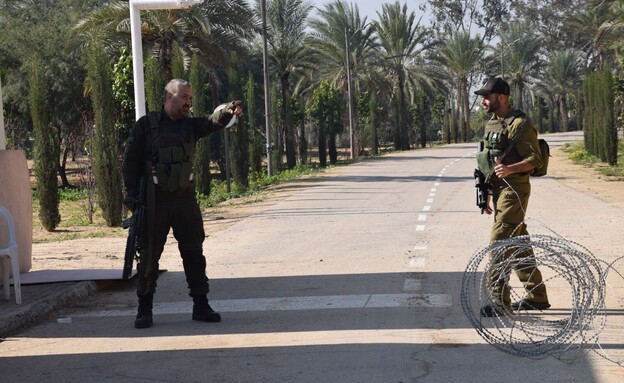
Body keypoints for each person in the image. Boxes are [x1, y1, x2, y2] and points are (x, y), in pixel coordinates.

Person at [122, 78, 243, 328]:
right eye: (184, 97)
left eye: (190, 98)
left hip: (184, 199)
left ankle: (201, 304)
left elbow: (212, 122)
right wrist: (132, 196)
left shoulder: (190, 126)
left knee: (193, 252)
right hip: (154, 201)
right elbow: (130, 161)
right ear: (169, 96)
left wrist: (227, 111)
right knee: (148, 256)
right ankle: (144, 309)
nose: (189, 102)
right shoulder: (146, 125)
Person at [474, 77, 550, 317]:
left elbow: (535, 159)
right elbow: (487, 158)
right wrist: (485, 191)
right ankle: (537, 296)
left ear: (502, 97)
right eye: (483, 97)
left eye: (487, 96)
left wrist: (509, 169)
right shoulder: (493, 123)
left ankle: (500, 302)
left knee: (499, 241)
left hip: (514, 188)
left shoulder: (520, 124)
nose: (484, 101)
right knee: (518, 242)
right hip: (497, 190)